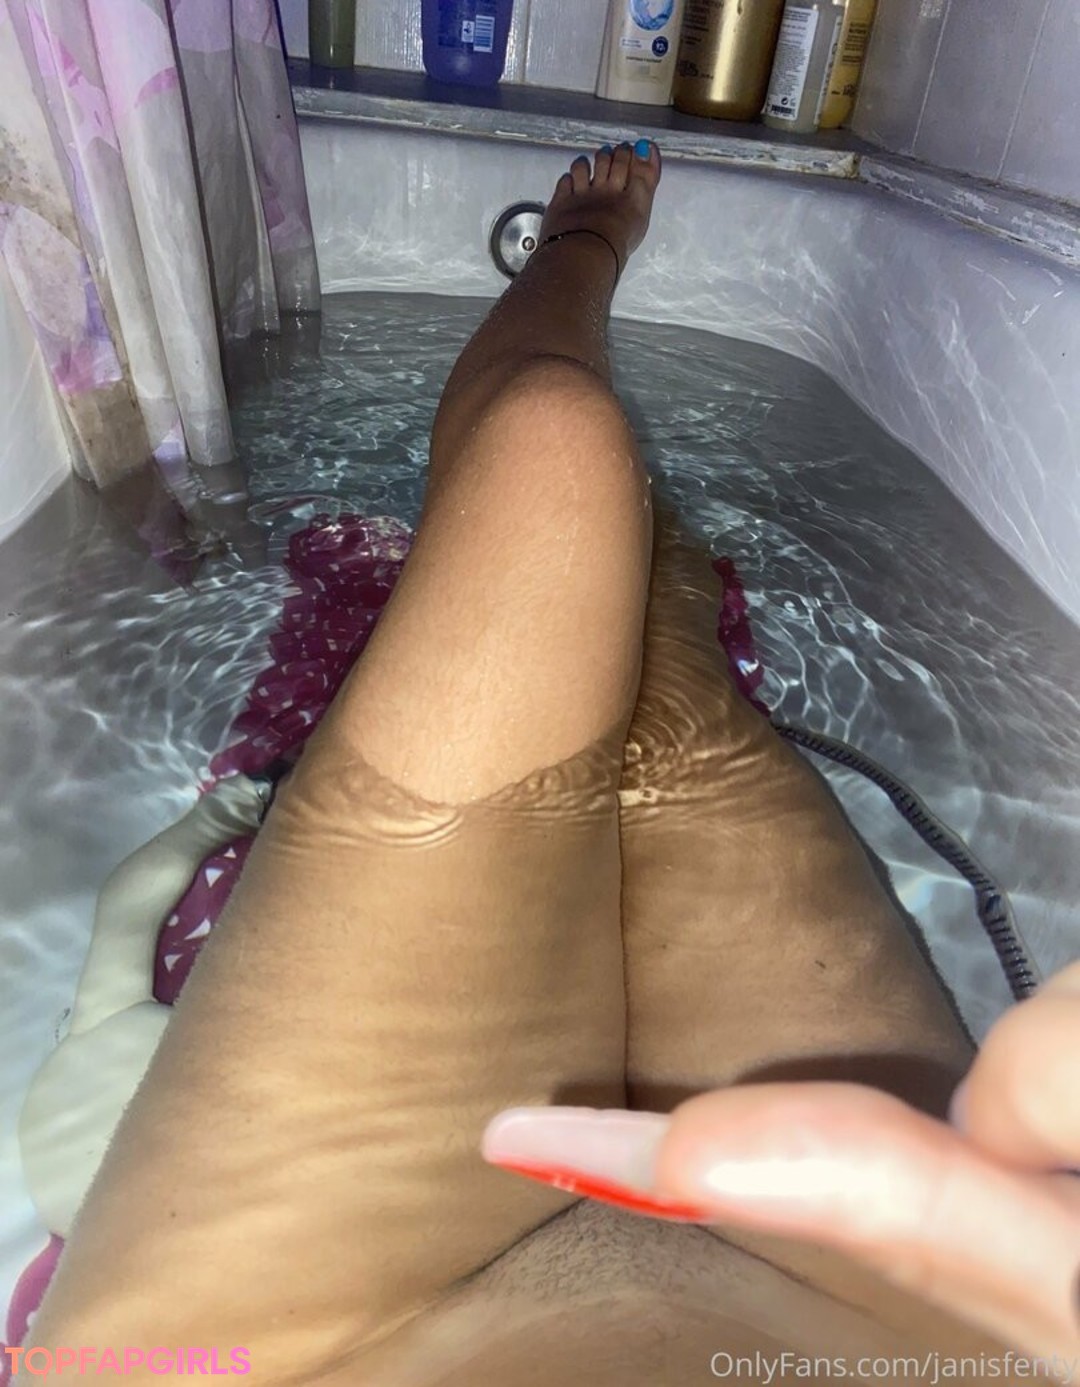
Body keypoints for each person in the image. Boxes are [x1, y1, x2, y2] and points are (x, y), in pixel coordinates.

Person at [24, 141, 1078, 1385]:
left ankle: (573, 273)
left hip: (255, 1347)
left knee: (544, 456)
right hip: (926, 1322)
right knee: (591, 528)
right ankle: (598, 354)